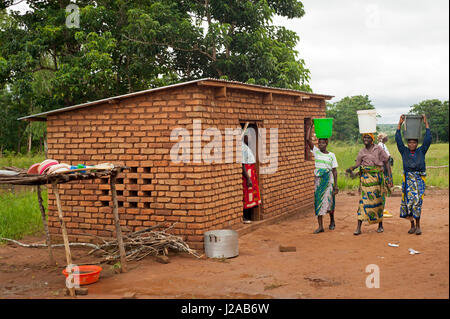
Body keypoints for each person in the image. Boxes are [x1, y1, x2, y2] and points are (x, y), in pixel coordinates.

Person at [347, 133, 393, 235]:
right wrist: (351, 170)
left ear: (372, 139)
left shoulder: (379, 149)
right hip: (365, 180)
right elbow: (357, 165)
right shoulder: (361, 151)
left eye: (368, 137)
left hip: (377, 179)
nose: (366, 139)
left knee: (378, 201)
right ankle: (358, 228)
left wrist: (389, 177)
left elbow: (386, 161)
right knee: (362, 203)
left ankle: (380, 225)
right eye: (364, 138)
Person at [396, 114, 431, 235]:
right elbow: (398, 140)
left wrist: (426, 123)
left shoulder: (421, 151)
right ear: (407, 144)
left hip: (419, 180)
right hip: (408, 180)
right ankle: (411, 225)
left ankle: (418, 226)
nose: (412, 144)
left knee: (417, 203)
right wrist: (399, 124)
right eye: (409, 142)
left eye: (414, 143)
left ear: (417, 144)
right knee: (408, 203)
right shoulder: (404, 151)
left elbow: (428, 139)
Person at [306, 123, 339, 233]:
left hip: (329, 181)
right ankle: (320, 226)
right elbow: (307, 140)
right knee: (318, 202)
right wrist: (311, 126)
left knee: (329, 203)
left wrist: (336, 186)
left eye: (323, 143)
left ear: (326, 143)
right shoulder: (316, 152)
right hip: (319, 181)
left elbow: (334, 171)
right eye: (319, 143)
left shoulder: (331, 155)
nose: (320, 145)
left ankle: (332, 221)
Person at [242, 130, 261, 223]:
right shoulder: (241, 147)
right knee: (246, 196)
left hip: (251, 173)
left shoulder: (246, 147)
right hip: (247, 174)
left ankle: (249, 215)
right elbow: (242, 164)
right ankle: (244, 217)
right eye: (248, 136)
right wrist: (248, 178)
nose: (249, 138)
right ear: (244, 137)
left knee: (251, 195)